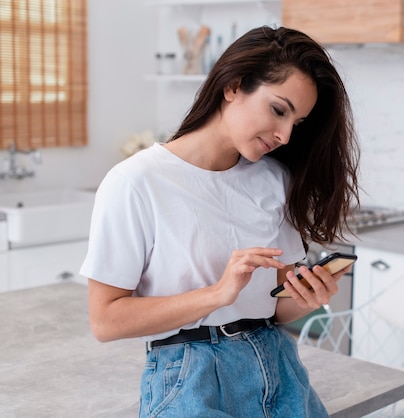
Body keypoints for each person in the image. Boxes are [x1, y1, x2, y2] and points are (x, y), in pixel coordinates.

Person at [80, 25, 360, 417]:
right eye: (279, 110)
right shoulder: (135, 182)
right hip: (190, 376)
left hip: (277, 363)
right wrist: (217, 294)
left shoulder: (275, 182)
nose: (283, 135)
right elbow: (105, 320)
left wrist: (308, 299)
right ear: (233, 85)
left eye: (295, 124)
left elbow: (276, 309)